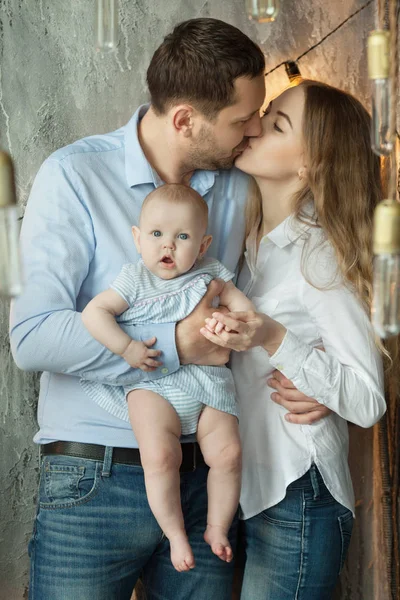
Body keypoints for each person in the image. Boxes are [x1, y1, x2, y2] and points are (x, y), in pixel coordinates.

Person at [10, 18, 329, 600]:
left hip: (208, 478)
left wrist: (313, 375)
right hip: (93, 480)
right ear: (185, 120)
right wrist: (175, 342)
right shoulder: (75, 176)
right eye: (241, 119)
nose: (254, 130)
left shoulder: (238, 184)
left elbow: (281, 293)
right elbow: (32, 337)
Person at [201, 79, 387, 599]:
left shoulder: (318, 252)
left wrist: (276, 337)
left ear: (309, 166)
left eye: (277, 125)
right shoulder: (249, 242)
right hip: (251, 489)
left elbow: (368, 400)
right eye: (265, 113)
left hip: (298, 494)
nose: (255, 126)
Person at [81, 183, 255, 571]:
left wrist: (238, 322)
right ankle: (176, 534)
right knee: (160, 456)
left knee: (229, 454)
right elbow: (95, 314)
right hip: (154, 385)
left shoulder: (212, 276)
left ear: (204, 243)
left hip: (209, 386)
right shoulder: (134, 279)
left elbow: (246, 314)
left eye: (183, 236)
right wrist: (128, 348)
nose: (168, 246)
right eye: (157, 235)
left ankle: (216, 527)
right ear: (137, 238)